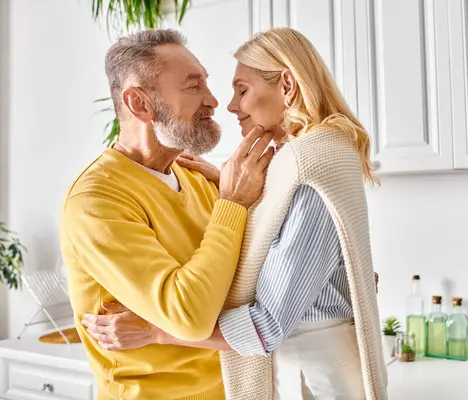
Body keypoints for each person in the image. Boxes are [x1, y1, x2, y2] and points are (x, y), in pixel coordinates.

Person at [83, 27, 388, 399]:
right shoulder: (309, 157)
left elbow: (266, 325)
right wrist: (228, 188)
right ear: (139, 104)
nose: (225, 104)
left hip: (313, 375)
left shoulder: (312, 165)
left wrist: (152, 331)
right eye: (195, 86)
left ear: (288, 86)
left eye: (241, 90)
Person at [59, 29, 274, 400]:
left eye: (207, 84)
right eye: (193, 87)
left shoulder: (200, 178)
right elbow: (190, 316)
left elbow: (256, 281)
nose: (213, 101)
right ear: (139, 103)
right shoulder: (96, 200)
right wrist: (232, 204)